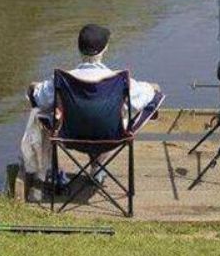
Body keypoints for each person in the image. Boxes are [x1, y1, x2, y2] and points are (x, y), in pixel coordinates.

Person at [21, 24, 161, 185]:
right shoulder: (119, 80)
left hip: (69, 137)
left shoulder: (62, 79)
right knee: (136, 105)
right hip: (112, 138)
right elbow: (150, 94)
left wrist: (33, 87)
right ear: (105, 48)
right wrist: (154, 88)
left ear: (78, 49)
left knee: (42, 110)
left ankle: (45, 170)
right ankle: (97, 168)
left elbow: (38, 98)